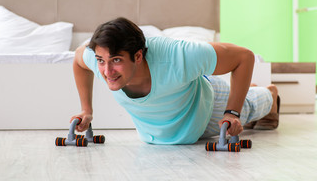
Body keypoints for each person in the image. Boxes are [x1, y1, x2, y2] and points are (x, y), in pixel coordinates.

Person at [70, 17, 279, 144]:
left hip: (203, 105)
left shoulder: (179, 55)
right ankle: (248, 90)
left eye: (116, 60)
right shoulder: (100, 59)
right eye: (101, 61)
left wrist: (232, 113)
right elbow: (79, 61)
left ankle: (269, 94)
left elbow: (244, 57)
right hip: (167, 125)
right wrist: (86, 110)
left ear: (138, 56)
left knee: (248, 108)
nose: (107, 71)